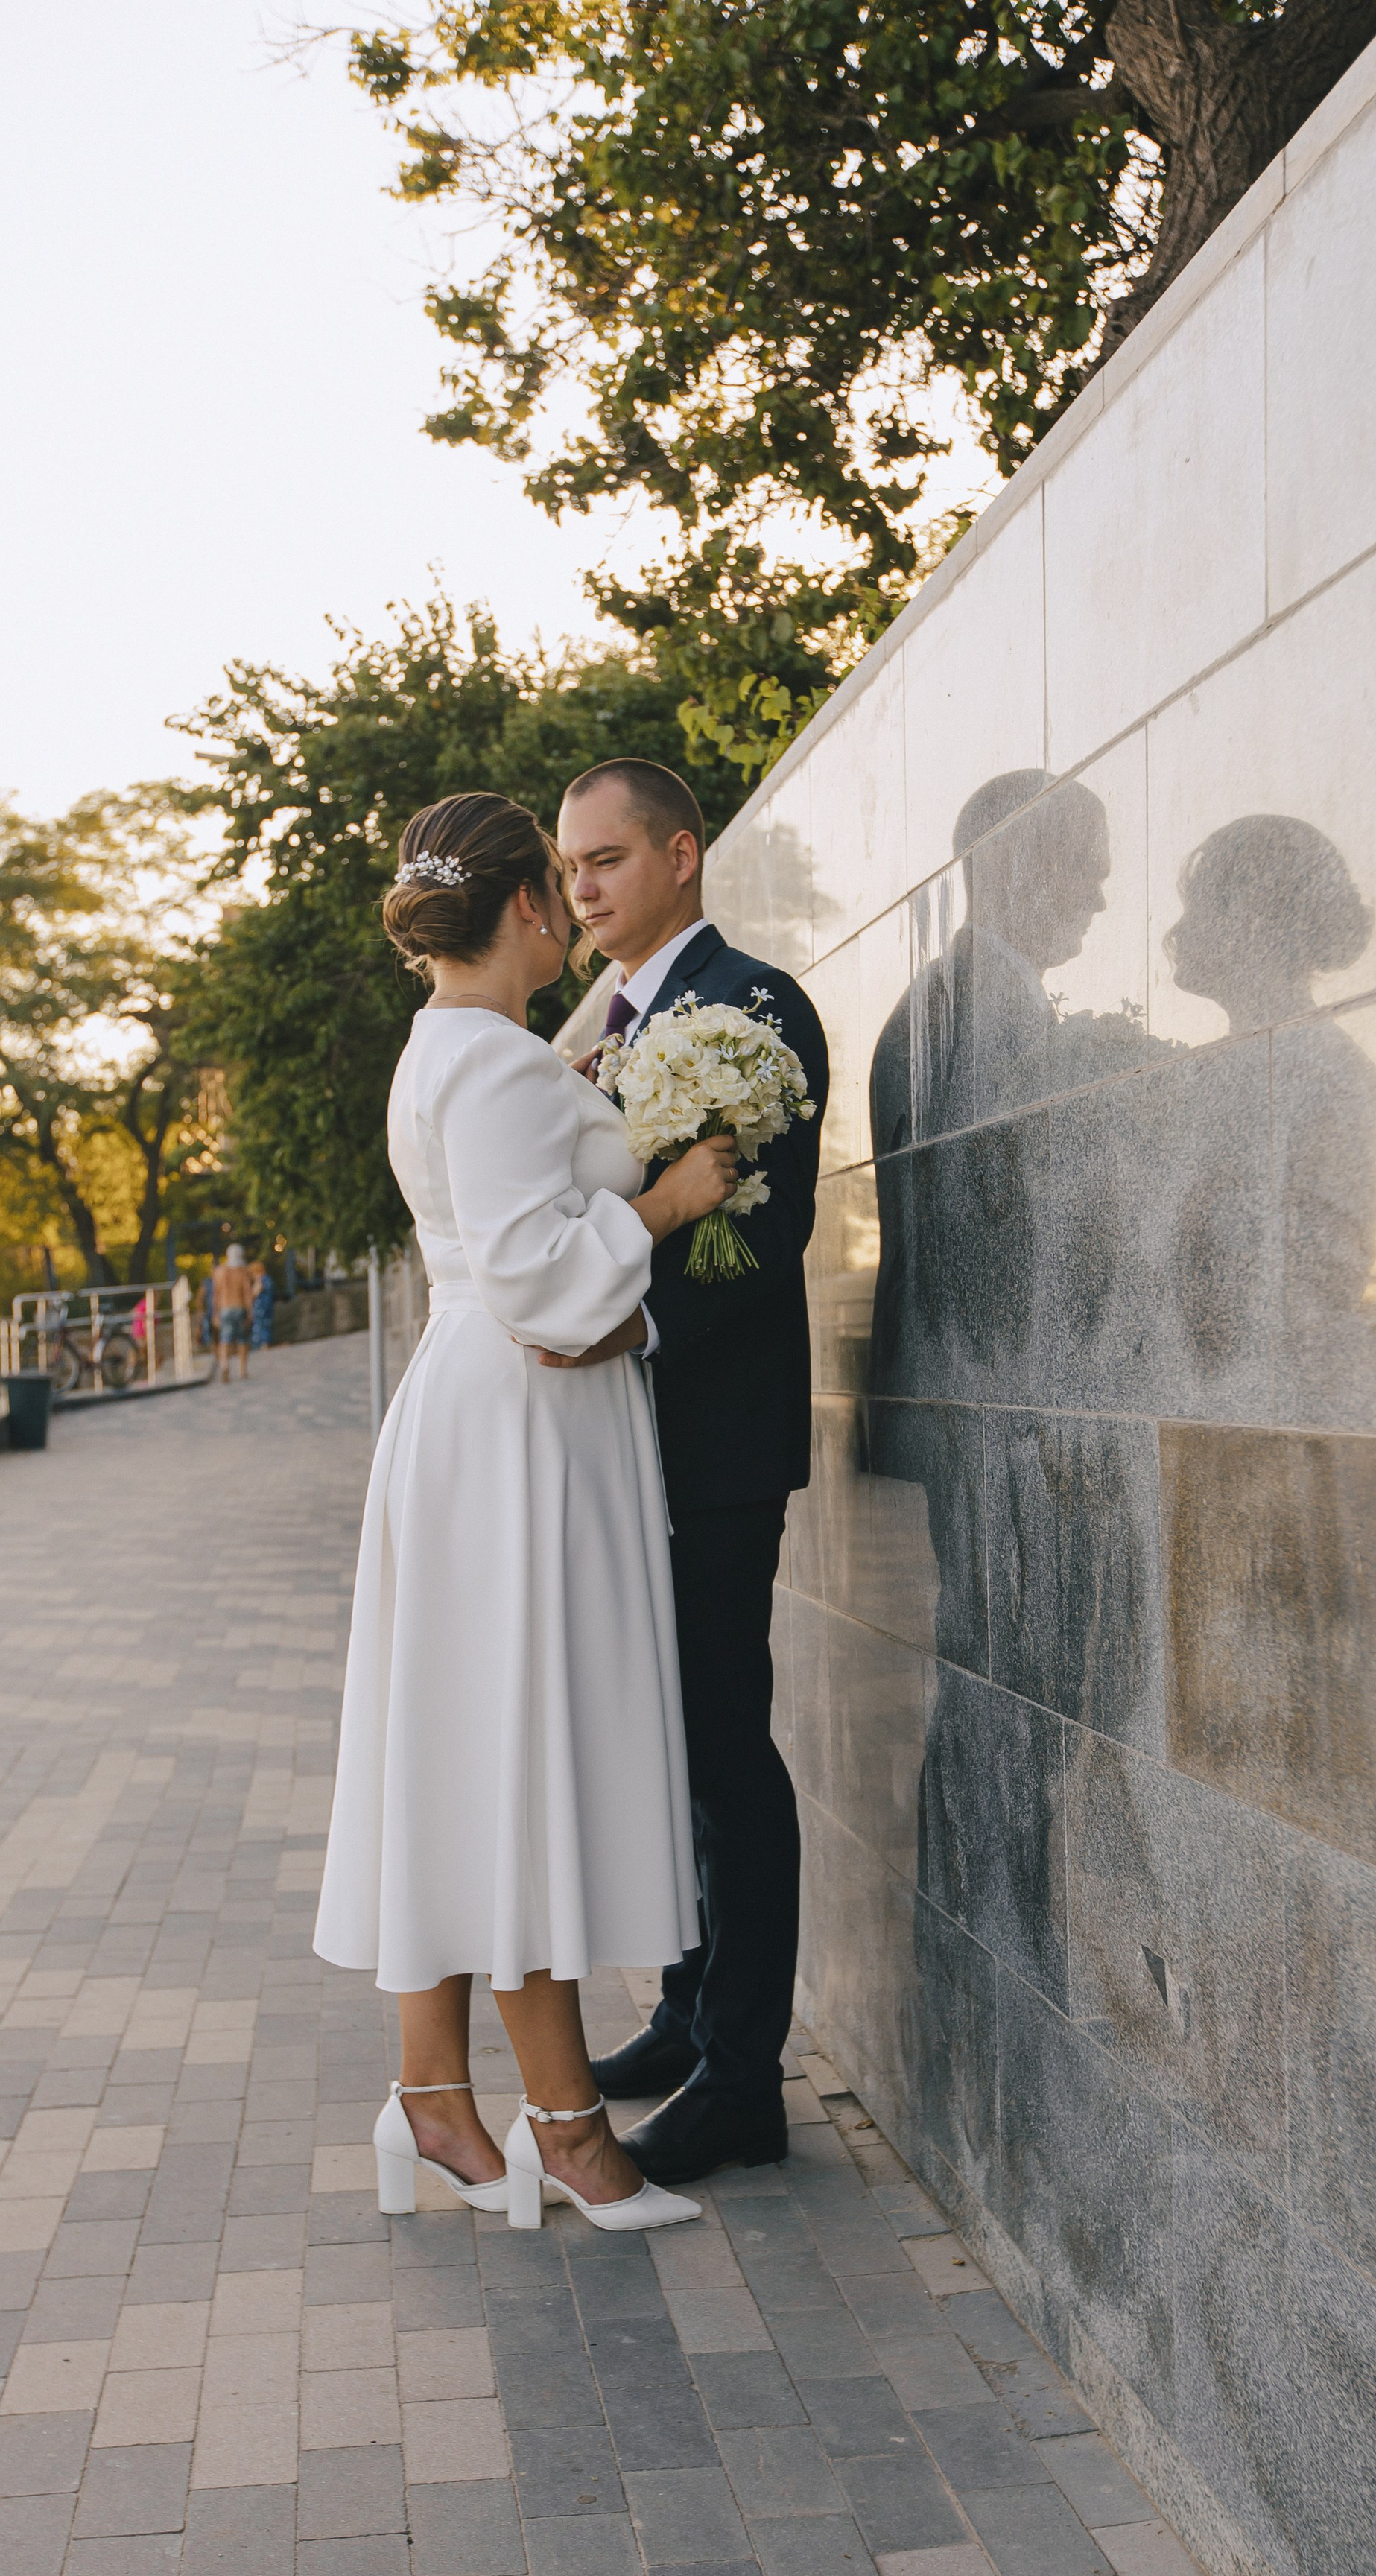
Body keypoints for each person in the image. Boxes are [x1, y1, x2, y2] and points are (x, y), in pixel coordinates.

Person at [313, 790, 741, 2233]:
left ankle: (433, 2091)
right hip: (514, 1428)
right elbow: (537, 1281)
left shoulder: (471, 1047)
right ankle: (558, 2123)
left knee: (469, 1748)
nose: (570, 905)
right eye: (555, 885)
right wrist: (669, 1203)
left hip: (504, 1416)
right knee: (513, 1754)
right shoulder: (489, 1063)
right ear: (522, 909)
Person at [554, 758, 829, 2189]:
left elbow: (762, 1237)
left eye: (606, 859)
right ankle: (681, 2009)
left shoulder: (756, 1007)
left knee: (725, 1747)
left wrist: (630, 1329)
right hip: (623, 1436)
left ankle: (743, 2081)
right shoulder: (598, 1023)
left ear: (679, 852)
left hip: (712, 1437)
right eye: (569, 867)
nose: (582, 886)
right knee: (666, 1747)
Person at [212, 1245, 254, 1382]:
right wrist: (250, 1312)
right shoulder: (242, 1272)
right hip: (239, 1307)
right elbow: (247, 1293)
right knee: (242, 1339)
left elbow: (215, 1294)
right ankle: (242, 1370)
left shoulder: (219, 1272)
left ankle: (225, 1366)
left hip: (224, 1309)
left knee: (225, 1339)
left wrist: (215, 1313)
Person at [250, 1259, 275, 1355]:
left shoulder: (261, 1280)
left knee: (260, 1326)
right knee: (266, 1325)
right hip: (267, 1306)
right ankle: (265, 1344)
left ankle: (262, 1345)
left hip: (260, 1308)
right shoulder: (269, 1279)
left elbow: (255, 1293)